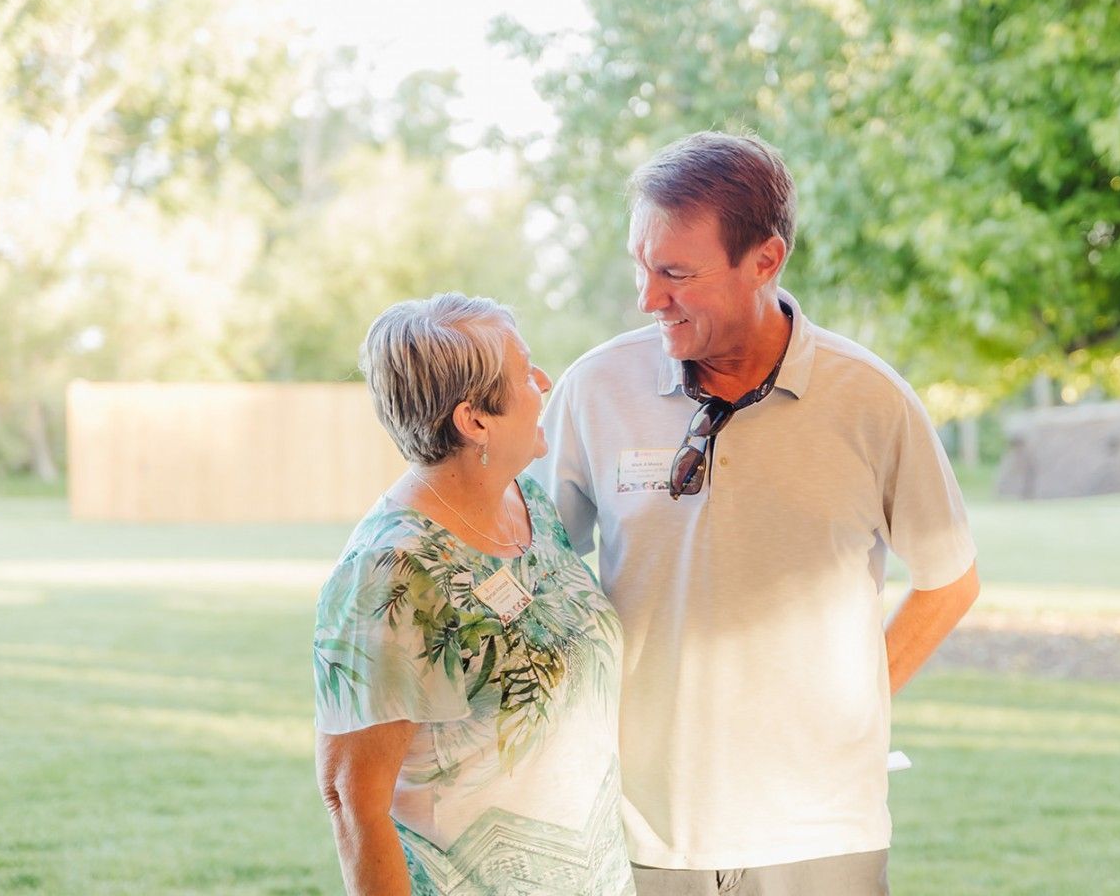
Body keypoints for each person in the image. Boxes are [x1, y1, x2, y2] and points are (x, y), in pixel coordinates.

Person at [534, 132, 980, 895]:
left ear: (765, 261)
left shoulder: (870, 400)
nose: (647, 297)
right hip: (638, 828)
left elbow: (950, 579)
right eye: (641, 265)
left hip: (820, 832)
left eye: (675, 272)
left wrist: (856, 701)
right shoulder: (594, 390)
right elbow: (534, 567)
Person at [313, 293, 635, 896]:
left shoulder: (529, 502)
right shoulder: (393, 574)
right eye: (524, 373)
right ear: (474, 420)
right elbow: (353, 802)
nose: (543, 381)